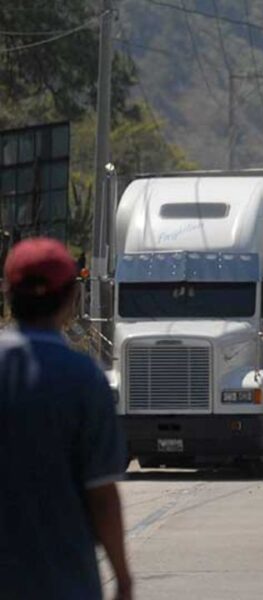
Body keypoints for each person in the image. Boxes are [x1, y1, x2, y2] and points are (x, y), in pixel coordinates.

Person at [0, 238, 132, 600]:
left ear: (9, 293)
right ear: (72, 298)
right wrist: (123, 577)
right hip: (65, 582)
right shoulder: (85, 379)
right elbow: (102, 495)